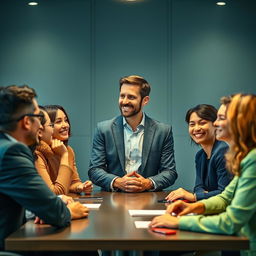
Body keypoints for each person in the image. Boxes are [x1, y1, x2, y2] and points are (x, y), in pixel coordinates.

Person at [150, 93, 256, 256]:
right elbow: (225, 197)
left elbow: (231, 221)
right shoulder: (246, 157)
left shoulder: (252, 160)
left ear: (239, 121)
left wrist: (180, 221)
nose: (217, 123)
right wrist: (194, 206)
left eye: (221, 118)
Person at [0, 85, 89, 251]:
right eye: (38, 117)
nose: (41, 126)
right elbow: (55, 213)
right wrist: (68, 211)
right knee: (82, 249)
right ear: (27, 122)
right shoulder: (12, 152)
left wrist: (48, 205)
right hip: (9, 245)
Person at [88, 75, 177, 192]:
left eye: (131, 97)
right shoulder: (104, 129)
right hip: (113, 199)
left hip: (148, 199)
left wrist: (148, 183)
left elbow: (170, 172)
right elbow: (94, 170)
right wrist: (118, 182)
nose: (124, 101)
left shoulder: (163, 131)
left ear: (145, 100)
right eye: (122, 96)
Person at [166, 104, 231, 202]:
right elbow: (198, 187)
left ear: (215, 125)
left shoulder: (223, 151)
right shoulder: (200, 156)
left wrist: (196, 197)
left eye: (202, 123)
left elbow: (224, 193)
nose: (196, 128)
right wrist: (204, 194)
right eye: (192, 124)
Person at [34, 105, 93, 195]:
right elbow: (55, 194)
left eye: (66, 120)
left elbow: (73, 182)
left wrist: (80, 187)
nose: (65, 125)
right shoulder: (37, 154)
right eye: (58, 122)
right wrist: (64, 155)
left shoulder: (68, 150)